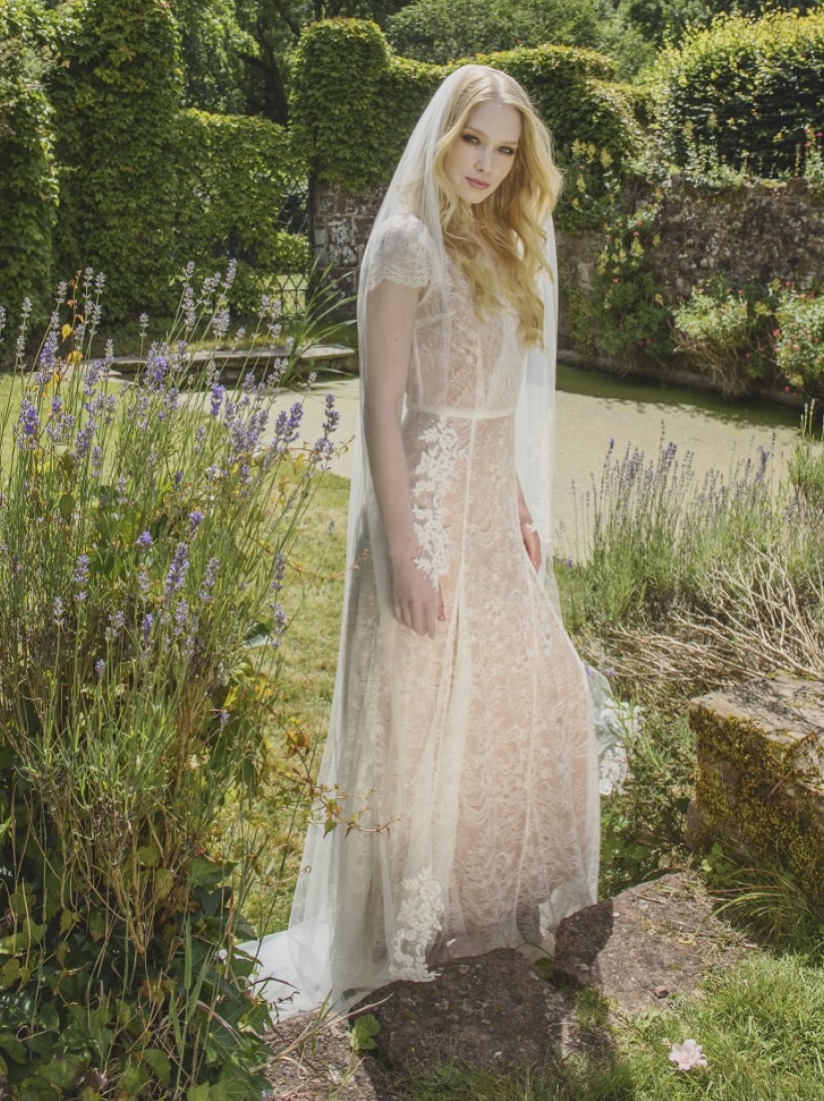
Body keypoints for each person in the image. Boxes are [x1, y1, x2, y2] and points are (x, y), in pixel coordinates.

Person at [250, 63, 600, 1015]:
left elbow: (498, 397)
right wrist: (406, 552)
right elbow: (378, 409)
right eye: (472, 140)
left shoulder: (499, 238)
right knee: (421, 709)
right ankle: (407, 918)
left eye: (504, 148)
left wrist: (523, 500)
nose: (485, 163)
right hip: (429, 502)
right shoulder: (406, 244)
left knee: (531, 689)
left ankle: (474, 901)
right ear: (442, 136)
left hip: (492, 501)